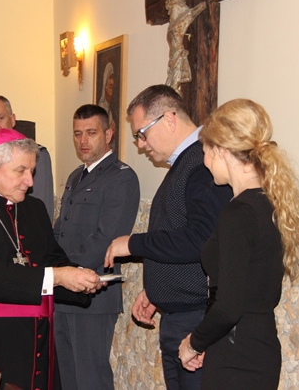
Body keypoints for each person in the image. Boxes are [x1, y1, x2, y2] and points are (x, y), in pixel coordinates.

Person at [0, 128, 103, 390]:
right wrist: (59, 276)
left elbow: (54, 260)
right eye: (21, 171)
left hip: (38, 338)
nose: (29, 181)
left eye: (32, 171)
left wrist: (81, 280)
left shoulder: (33, 209)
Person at [104, 85, 231, 390]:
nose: (140, 144)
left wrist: (133, 243)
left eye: (142, 133)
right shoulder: (186, 162)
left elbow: (201, 240)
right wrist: (156, 289)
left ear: (169, 119)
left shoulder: (202, 163)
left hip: (196, 319)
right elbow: (178, 233)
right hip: (180, 315)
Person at [177, 99, 299, 389]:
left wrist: (193, 343)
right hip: (256, 344)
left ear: (221, 150)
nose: (205, 161)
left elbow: (228, 307)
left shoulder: (239, 213)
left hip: (236, 355)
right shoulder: (268, 204)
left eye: (205, 151)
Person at [53, 105, 140, 390]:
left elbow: (107, 238)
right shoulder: (76, 176)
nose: (83, 141)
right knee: (67, 377)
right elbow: (61, 230)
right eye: (77, 133)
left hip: (93, 293)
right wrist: (50, 267)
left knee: (90, 379)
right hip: (64, 290)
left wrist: (63, 270)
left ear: (109, 134)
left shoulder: (121, 177)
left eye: (91, 133)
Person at [165, 0, 206, 94]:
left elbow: (193, 12)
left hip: (178, 55)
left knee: (174, 85)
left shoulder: (180, 21)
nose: (169, 13)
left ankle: (174, 95)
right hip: (173, 56)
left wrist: (203, 4)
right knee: (168, 86)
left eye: (171, 8)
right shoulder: (171, 25)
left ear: (177, 7)